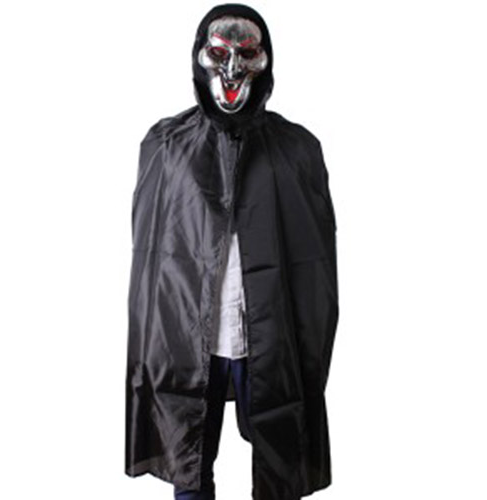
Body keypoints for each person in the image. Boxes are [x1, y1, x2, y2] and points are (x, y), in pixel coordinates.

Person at [125, 4, 339, 499]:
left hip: (270, 337)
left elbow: (318, 266)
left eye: (247, 53)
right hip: (186, 338)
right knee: (190, 465)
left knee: (279, 466)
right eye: (220, 53)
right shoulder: (167, 144)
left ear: (266, 59)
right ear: (199, 56)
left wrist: (312, 348)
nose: (233, 68)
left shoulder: (297, 148)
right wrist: (149, 346)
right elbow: (149, 258)